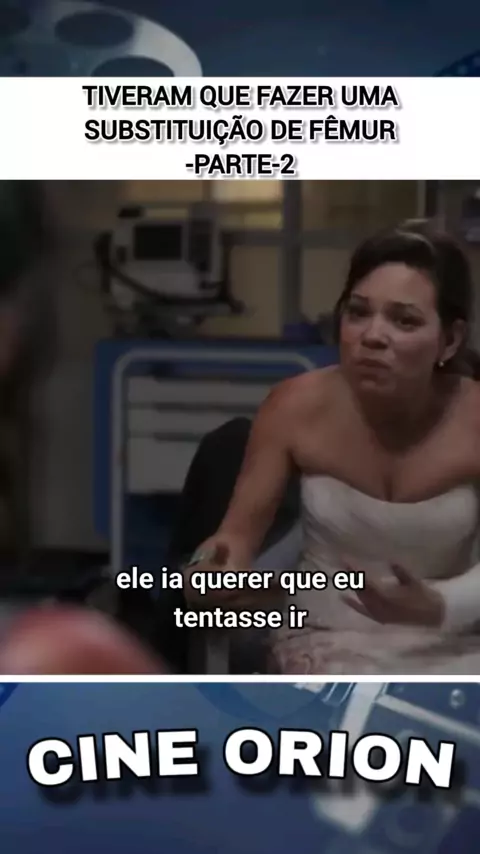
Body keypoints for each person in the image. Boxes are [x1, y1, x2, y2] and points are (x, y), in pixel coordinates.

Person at [184, 219, 480, 675]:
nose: (372, 335)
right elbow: (234, 539)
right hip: (323, 642)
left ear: (450, 339)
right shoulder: (294, 405)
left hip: (451, 646)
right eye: (358, 312)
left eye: (404, 320)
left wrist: (439, 606)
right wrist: (209, 572)